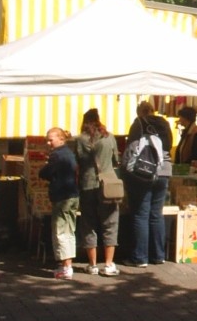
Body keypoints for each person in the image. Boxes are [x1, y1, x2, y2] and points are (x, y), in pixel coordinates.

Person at [124, 101, 174, 267]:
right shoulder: (165, 123)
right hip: (164, 169)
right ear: (153, 110)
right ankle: (158, 255)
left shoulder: (138, 123)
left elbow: (132, 148)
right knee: (156, 214)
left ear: (139, 112)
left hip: (144, 171)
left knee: (141, 213)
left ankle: (140, 257)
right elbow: (169, 145)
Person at [75, 108, 121, 276]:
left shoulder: (80, 140)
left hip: (87, 185)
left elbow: (77, 161)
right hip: (108, 185)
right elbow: (116, 160)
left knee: (88, 224)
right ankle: (109, 264)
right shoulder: (109, 137)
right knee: (110, 224)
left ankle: (92, 264)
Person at [39, 127, 79, 280]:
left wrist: (45, 169)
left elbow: (45, 172)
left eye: (51, 140)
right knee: (69, 229)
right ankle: (66, 264)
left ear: (61, 139)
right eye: (47, 140)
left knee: (61, 231)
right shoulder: (69, 153)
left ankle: (66, 267)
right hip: (73, 195)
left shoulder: (57, 155)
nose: (48, 143)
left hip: (62, 196)